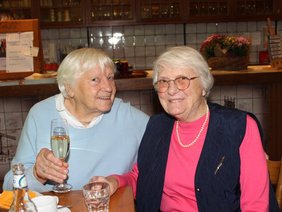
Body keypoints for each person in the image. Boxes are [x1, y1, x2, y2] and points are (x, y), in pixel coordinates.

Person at [91, 46, 280, 211]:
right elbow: (142, 176)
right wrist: (114, 182)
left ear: (204, 86)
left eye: (182, 79)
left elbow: (256, 205)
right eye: (164, 82)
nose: (172, 90)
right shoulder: (157, 126)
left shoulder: (238, 127)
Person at [3, 48, 149, 192]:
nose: (108, 87)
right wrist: (37, 174)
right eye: (95, 80)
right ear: (69, 88)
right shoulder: (40, 115)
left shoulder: (129, 117)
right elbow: (10, 185)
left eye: (110, 78)